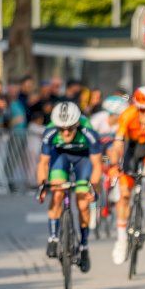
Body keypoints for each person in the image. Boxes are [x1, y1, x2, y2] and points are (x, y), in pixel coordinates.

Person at [36, 101, 102, 272]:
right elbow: (43, 163)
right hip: (61, 157)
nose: (65, 132)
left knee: (83, 204)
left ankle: (84, 246)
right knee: (57, 194)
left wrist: (94, 188)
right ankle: (53, 238)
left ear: (77, 124)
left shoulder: (89, 132)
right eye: (61, 129)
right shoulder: (50, 132)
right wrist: (42, 186)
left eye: (70, 129)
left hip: (83, 159)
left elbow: (97, 165)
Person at [110, 87, 145, 264]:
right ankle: (120, 240)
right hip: (132, 148)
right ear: (136, 107)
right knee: (125, 193)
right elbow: (118, 145)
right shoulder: (127, 115)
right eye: (143, 109)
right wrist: (115, 165)